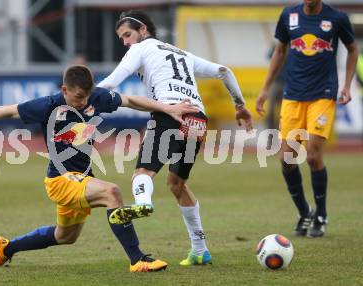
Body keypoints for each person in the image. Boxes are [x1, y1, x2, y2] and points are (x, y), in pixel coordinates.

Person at [0, 65, 200, 272]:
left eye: (86, 95)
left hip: (80, 178)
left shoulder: (96, 97)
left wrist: (168, 108)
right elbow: (7, 111)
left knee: (65, 236)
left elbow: (131, 100)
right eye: (78, 96)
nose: (83, 101)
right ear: (65, 89)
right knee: (112, 193)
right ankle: (138, 260)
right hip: (61, 180)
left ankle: (5, 248)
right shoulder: (48, 105)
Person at [97, 10, 253, 265]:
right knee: (176, 183)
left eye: (127, 34)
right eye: (121, 38)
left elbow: (112, 82)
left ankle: (143, 203)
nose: (125, 42)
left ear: (143, 31)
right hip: (198, 120)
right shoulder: (183, 54)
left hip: (172, 114)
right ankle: (200, 250)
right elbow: (224, 71)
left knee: (142, 174)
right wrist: (240, 105)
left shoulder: (141, 48)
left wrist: (80, 100)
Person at [256, 0, 358, 237]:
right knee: (287, 159)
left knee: (312, 155)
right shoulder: (288, 15)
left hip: (323, 94)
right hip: (292, 96)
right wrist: (265, 89)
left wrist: (346, 85)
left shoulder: (337, 18)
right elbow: (280, 51)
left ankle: (321, 215)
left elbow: (353, 48)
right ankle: (304, 212)